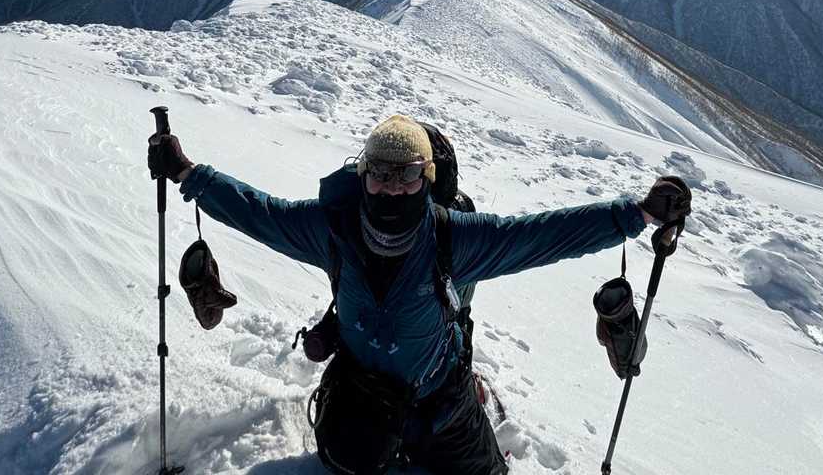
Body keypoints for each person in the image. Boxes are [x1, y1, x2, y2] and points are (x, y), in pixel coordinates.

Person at [148, 114, 690, 475]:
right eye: (379, 175)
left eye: (405, 176)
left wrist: (638, 214)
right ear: (362, 176)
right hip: (365, 395)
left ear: (426, 179)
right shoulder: (333, 229)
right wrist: (187, 173)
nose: (391, 188)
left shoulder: (454, 238)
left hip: (441, 406)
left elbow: (541, 235)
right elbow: (260, 212)